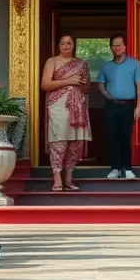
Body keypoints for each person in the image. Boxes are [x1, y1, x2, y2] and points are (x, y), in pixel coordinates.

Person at [41, 34, 92, 190]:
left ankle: (69, 178)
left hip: (78, 106)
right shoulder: (52, 61)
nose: (65, 46)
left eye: (68, 43)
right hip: (58, 105)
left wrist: (79, 87)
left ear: (73, 45)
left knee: (75, 142)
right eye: (62, 43)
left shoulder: (81, 64)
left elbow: (87, 87)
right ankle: (57, 178)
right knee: (59, 141)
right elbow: (45, 84)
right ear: (58, 46)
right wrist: (69, 81)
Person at [96, 35, 140, 179]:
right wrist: (104, 93)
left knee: (125, 136)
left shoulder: (134, 64)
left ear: (125, 46)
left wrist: (138, 107)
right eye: (114, 46)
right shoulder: (106, 65)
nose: (117, 48)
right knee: (112, 136)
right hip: (111, 105)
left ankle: (127, 168)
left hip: (128, 105)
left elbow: (139, 85)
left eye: (120, 45)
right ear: (111, 48)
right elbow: (100, 83)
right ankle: (115, 168)